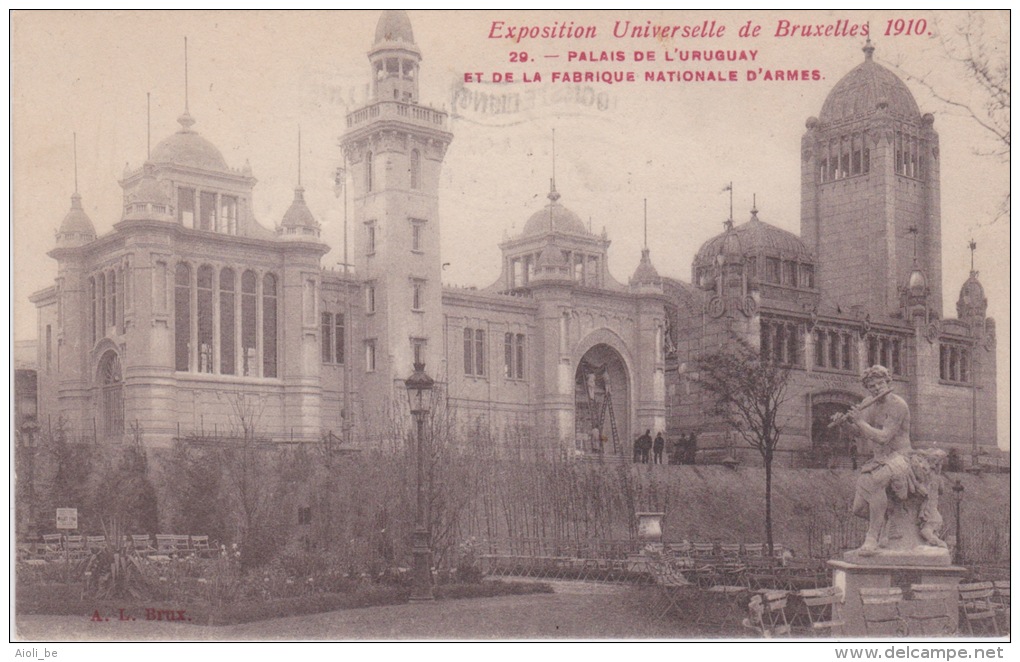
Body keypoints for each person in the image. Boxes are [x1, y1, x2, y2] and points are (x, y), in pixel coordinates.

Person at [845, 365, 912, 553]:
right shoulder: (869, 402)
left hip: (901, 457)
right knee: (858, 509)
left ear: (888, 382)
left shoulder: (898, 404)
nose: (877, 389)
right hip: (879, 459)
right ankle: (888, 520)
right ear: (867, 388)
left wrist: (860, 422)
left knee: (876, 480)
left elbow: (884, 437)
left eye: (880, 383)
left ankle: (871, 538)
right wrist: (849, 424)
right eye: (872, 386)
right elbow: (862, 432)